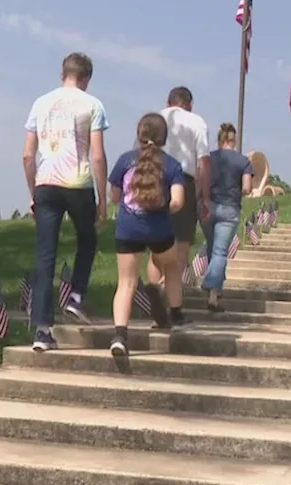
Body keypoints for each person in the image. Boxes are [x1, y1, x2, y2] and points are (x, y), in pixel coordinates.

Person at [22, 53, 109, 352]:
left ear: (63, 73)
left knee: (45, 257)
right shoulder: (92, 105)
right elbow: (96, 154)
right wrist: (102, 200)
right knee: (87, 239)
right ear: (86, 78)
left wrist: (33, 193)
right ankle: (75, 297)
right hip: (78, 183)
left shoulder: (40, 103)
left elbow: (27, 154)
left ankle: (42, 331)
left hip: (45, 182)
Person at [108, 113, 190, 356]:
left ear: (139, 134)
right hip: (159, 230)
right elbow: (177, 202)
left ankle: (120, 336)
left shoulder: (124, 161)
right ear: (164, 137)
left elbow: (114, 197)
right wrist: (160, 207)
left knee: (126, 282)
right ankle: (176, 315)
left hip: (128, 228)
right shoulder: (172, 165)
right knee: (172, 266)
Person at [146, 86, 211, 293]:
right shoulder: (196, 122)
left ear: (168, 102)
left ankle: (155, 295)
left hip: (154, 180)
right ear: (189, 104)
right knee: (181, 247)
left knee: (155, 250)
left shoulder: (154, 120)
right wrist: (204, 197)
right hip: (184, 183)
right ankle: (171, 298)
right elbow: (204, 162)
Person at [200, 123, 254, 309]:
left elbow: (200, 179)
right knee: (220, 252)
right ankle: (212, 288)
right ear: (234, 140)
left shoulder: (208, 158)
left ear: (220, 140)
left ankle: (215, 294)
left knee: (212, 248)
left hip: (207, 207)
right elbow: (247, 188)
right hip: (230, 209)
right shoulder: (243, 161)